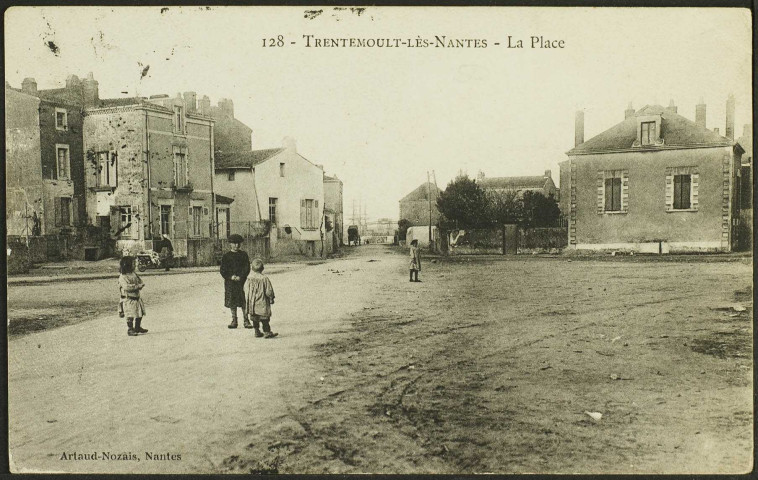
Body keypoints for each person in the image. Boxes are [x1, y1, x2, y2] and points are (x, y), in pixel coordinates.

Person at [220, 234, 250, 329]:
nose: (236, 245)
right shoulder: (226, 256)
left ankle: (246, 320)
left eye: (238, 243)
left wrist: (241, 277)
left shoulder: (243, 255)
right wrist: (230, 277)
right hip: (230, 282)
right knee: (232, 300)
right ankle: (234, 320)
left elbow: (247, 268)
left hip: (240, 282)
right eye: (234, 243)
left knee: (242, 301)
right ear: (230, 244)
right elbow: (223, 270)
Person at [245, 258, 277, 338]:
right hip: (262, 301)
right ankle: (267, 332)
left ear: (252, 268)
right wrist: (271, 298)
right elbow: (268, 290)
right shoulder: (264, 278)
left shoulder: (249, 278)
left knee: (255, 318)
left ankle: (257, 331)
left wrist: (248, 298)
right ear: (262, 268)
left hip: (252, 302)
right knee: (264, 318)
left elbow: (245, 289)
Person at [118, 256, 147, 336]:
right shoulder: (123, 276)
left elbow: (139, 280)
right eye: (133, 263)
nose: (135, 265)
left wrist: (141, 284)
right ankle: (130, 329)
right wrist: (137, 286)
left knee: (139, 313)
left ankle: (137, 327)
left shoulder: (133, 274)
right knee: (130, 314)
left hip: (136, 297)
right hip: (128, 298)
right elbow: (126, 287)